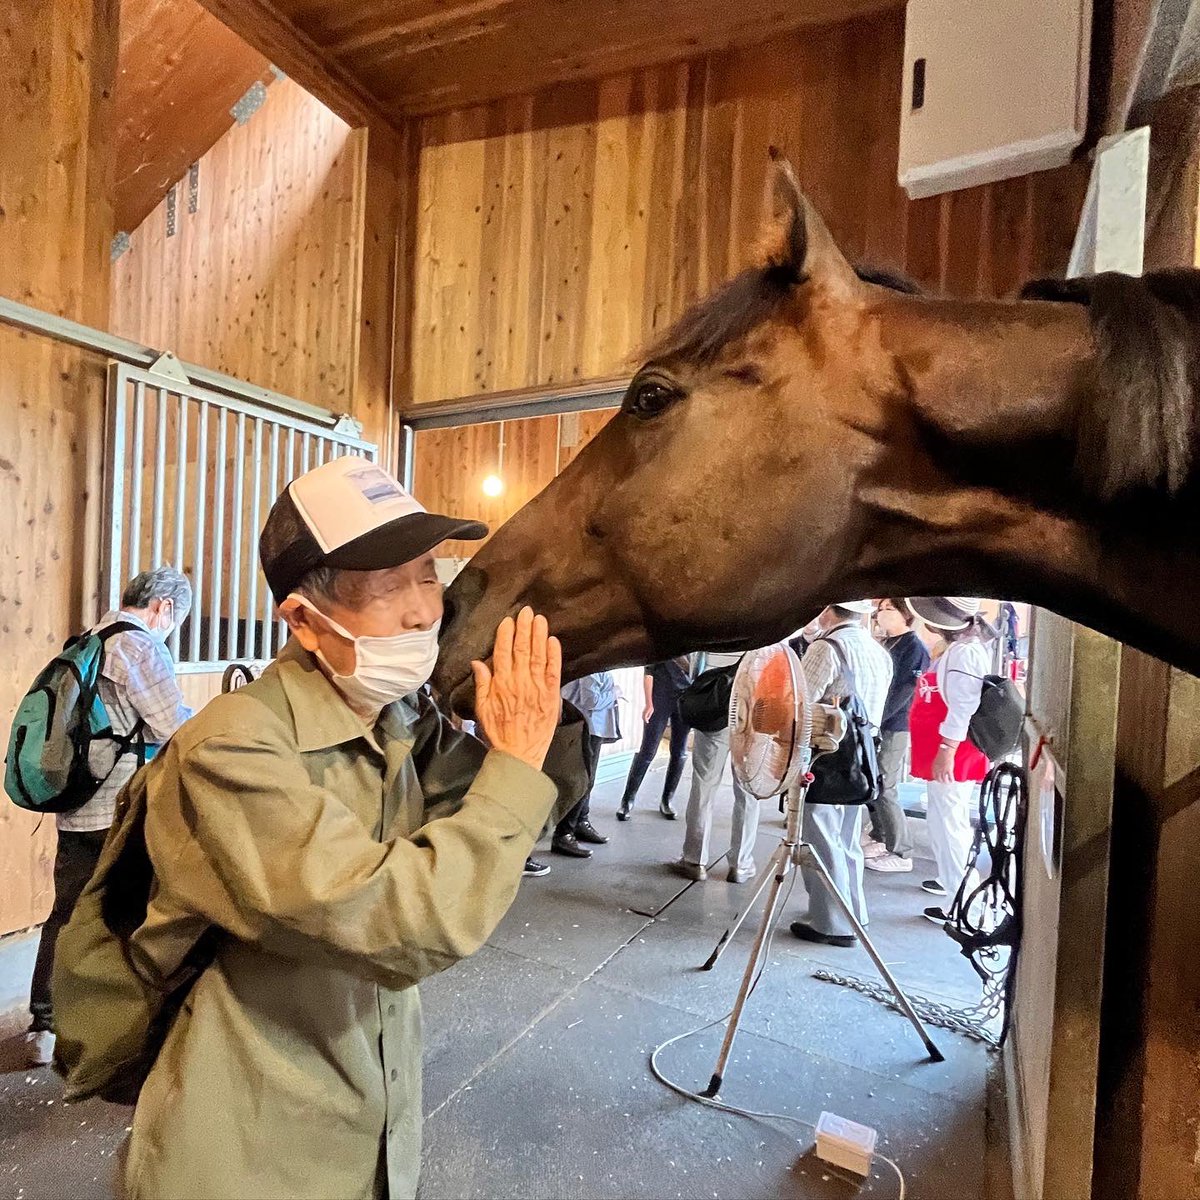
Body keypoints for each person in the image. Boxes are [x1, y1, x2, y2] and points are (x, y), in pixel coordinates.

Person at [58, 457, 583, 1200]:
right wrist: (518, 760)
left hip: (372, 1132)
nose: (421, 611)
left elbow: (519, 815)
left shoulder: (400, 717)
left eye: (427, 575)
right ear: (304, 621)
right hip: (249, 1155)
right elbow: (406, 919)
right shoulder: (232, 750)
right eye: (385, 586)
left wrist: (549, 705)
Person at [24, 566, 194, 1068]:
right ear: (163, 607)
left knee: (66, 913)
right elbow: (171, 724)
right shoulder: (140, 647)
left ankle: (44, 1026)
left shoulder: (89, 639)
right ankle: (122, 1029)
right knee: (134, 911)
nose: (170, 630)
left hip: (74, 801)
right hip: (120, 805)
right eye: (174, 620)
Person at [789, 601, 893, 947]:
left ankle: (831, 924)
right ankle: (853, 912)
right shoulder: (878, 652)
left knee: (821, 838)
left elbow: (800, 702)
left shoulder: (826, 647)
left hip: (827, 758)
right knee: (848, 841)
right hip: (863, 759)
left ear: (828, 611)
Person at [906, 596, 993, 923]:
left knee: (950, 827)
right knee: (943, 824)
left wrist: (946, 752)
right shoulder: (959, 651)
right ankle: (953, 890)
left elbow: (963, 708)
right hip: (946, 749)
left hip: (953, 752)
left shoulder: (965, 654)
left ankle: (966, 906)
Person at [672, 651, 760, 883]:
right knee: (748, 791)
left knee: (704, 784)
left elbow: (693, 664)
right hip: (752, 712)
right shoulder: (766, 627)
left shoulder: (715, 624)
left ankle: (694, 860)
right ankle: (740, 865)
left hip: (714, 707)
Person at [864, 598, 930, 875]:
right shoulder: (885, 643)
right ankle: (880, 835)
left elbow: (905, 691)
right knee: (873, 780)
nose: (882, 613)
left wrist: (878, 719)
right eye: (880, 609)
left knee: (886, 784)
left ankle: (902, 850)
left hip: (896, 725)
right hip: (879, 723)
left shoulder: (914, 647)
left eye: (889, 609)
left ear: (905, 615)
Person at [553, 671, 621, 858]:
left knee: (588, 781)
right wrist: (615, 693)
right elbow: (592, 701)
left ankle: (580, 822)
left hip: (593, 727)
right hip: (586, 727)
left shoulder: (599, 666)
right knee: (581, 781)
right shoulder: (590, 670)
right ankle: (564, 834)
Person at [616, 656, 691, 820]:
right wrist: (649, 703)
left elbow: (698, 671)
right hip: (660, 697)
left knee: (680, 751)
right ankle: (627, 800)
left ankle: (667, 800)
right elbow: (648, 672)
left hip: (686, 697)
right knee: (648, 750)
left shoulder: (693, 642)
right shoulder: (662, 640)